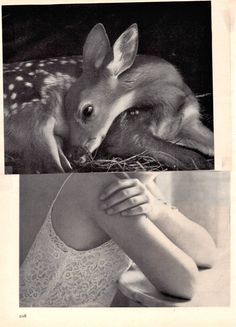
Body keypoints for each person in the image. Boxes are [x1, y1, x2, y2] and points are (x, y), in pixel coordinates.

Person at [20, 172, 217, 307]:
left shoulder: (141, 181)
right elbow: (186, 283)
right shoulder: (105, 185)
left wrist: (157, 209)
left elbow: (207, 254)